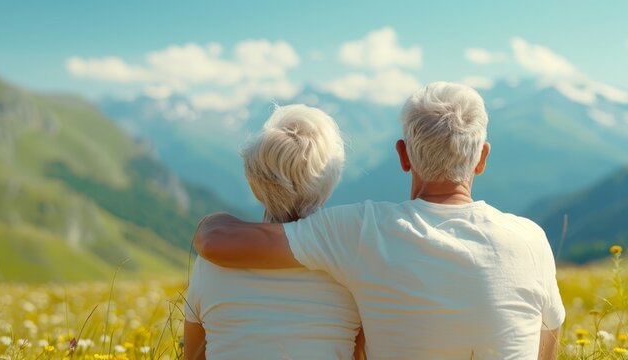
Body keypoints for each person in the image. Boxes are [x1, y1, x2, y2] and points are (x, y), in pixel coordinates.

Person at [194, 82, 565, 359]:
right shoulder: (532, 240)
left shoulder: (363, 230)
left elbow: (221, 243)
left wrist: (212, 222)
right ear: (482, 158)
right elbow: (547, 346)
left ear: (403, 155)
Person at [183, 104, 363, 360]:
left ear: (254, 182)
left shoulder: (211, 263)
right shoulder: (353, 267)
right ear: (330, 179)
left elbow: (193, 356)